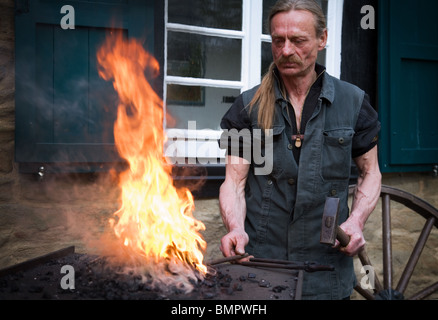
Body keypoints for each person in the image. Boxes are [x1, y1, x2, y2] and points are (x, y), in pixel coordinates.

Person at [218, 0, 382, 300]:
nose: (286, 51)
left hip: (326, 274)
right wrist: (235, 228)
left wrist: (356, 221)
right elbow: (234, 182)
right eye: (278, 41)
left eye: (298, 40)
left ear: (322, 39)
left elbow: (370, 173)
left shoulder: (354, 104)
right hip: (262, 270)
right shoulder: (246, 107)